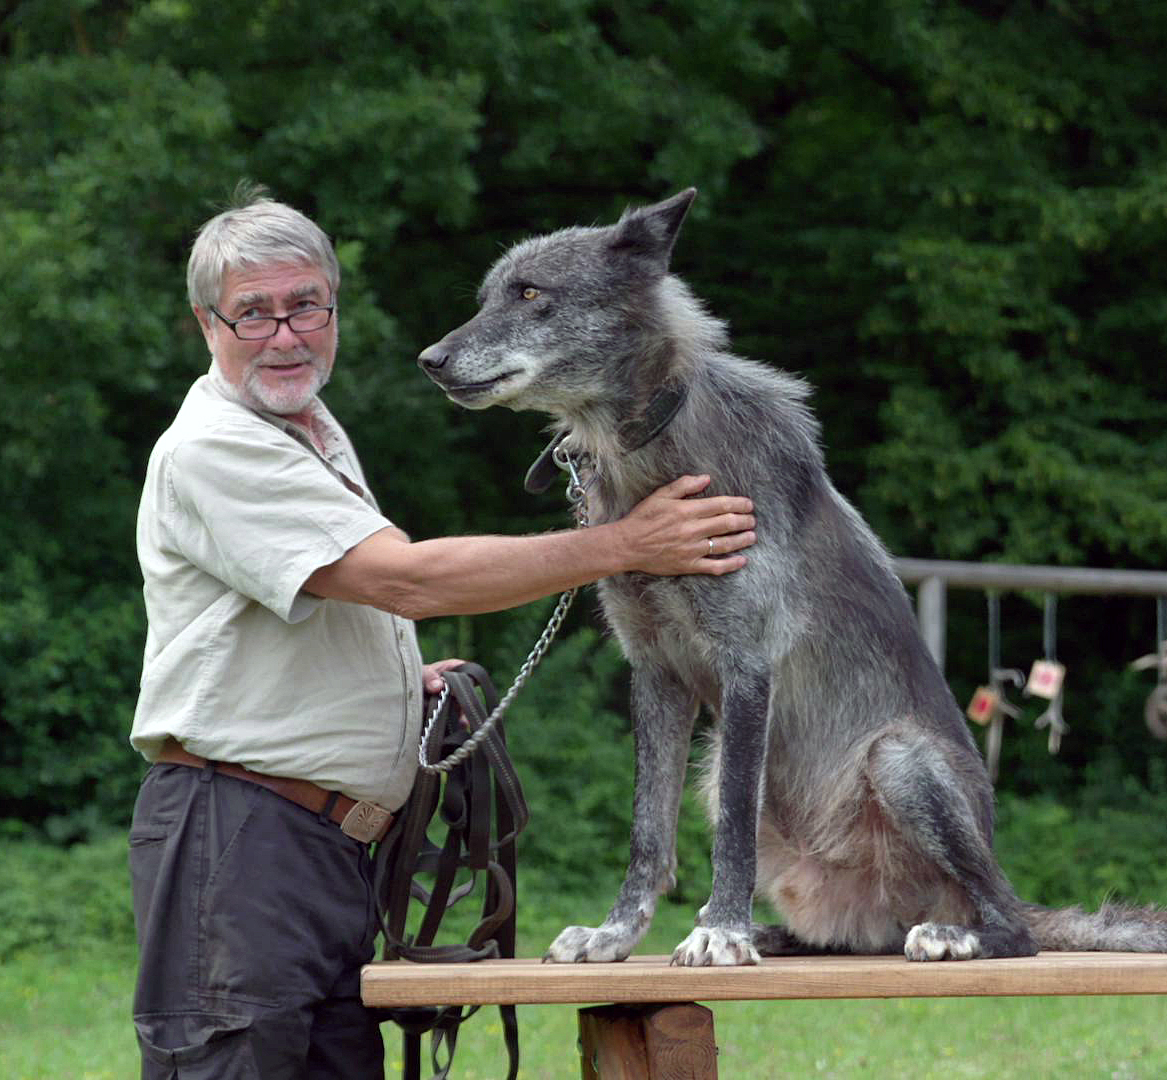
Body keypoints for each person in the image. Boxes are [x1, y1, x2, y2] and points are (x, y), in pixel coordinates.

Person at [126, 185, 757, 1079]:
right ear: (208, 325)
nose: (285, 334)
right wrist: (624, 543)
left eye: (306, 306)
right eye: (253, 314)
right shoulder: (219, 444)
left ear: (334, 310)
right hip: (239, 844)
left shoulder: (308, 429)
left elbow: (320, 599)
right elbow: (405, 579)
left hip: (323, 849)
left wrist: (392, 682)